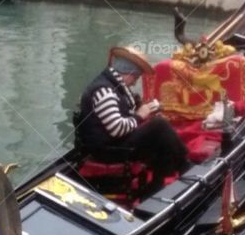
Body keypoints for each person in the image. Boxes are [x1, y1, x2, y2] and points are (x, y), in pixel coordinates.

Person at [74, 47, 188, 190]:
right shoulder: (105, 91)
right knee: (160, 126)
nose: (134, 83)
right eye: (136, 77)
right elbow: (117, 129)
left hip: (111, 144)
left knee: (157, 129)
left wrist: (144, 113)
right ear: (128, 73)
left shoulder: (111, 85)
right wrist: (140, 115)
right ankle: (183, 166)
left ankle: (159, 181)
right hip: (106, 151)